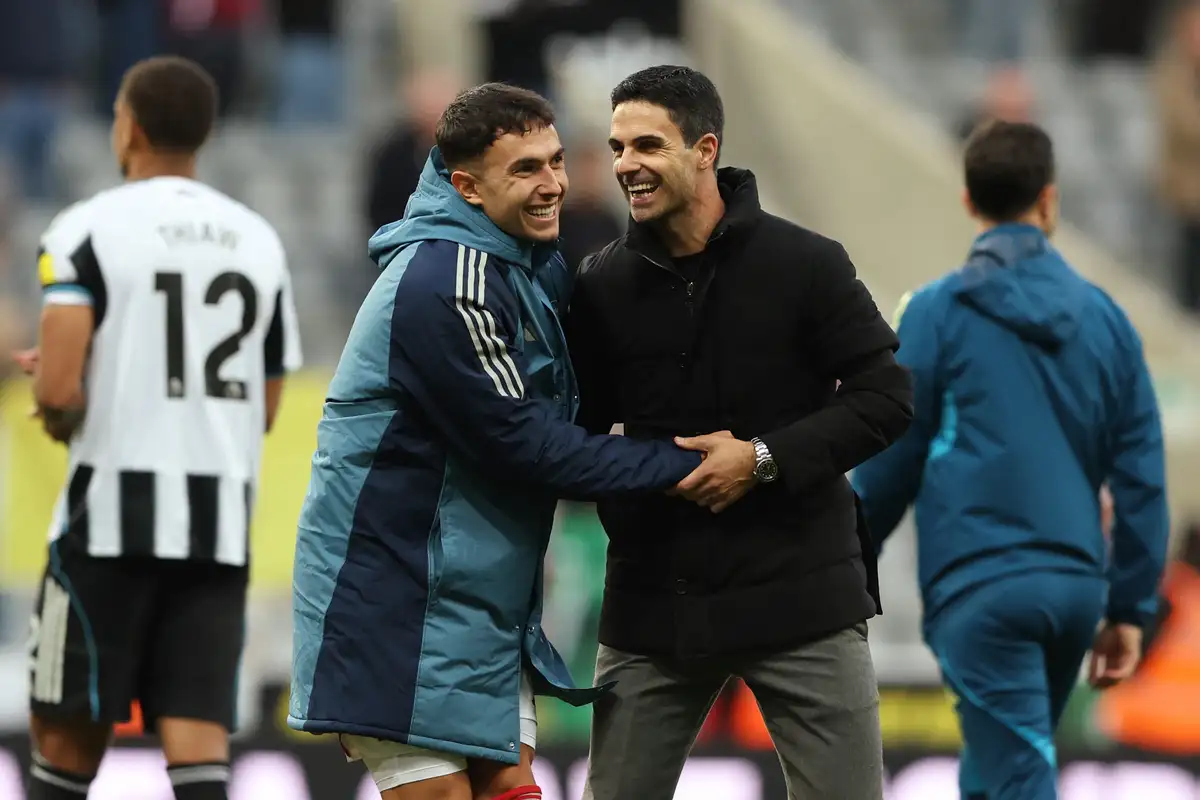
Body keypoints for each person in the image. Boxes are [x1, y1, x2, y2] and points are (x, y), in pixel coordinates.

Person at [288, 82, 735, 800]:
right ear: (466, 186)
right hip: (397, 597)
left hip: (476, 595)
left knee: (511, 790)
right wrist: (683, 465)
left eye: (555, 161)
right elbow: (529, 446)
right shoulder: (445, 279)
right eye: (525, 169)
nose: (552, 183)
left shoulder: (524, 264)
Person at [565, 65, 914, 800]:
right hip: (654, 604)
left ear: (706, 150)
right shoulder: (598, 285)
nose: (626, 164)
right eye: (618, 146)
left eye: (648, 145)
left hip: (803, 600)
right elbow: (576, 438)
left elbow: (887, 399)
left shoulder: (807, 264)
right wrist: (641, 476)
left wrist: (760, 459)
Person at [851, 120, 1169, 800]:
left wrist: (843, 564)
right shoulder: (1108, 321)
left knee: (1016, 776)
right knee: (996, 771)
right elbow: (1142, 479)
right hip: (1074, 590)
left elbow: (891, 456)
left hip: (982, 585)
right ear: (1049, 199)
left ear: (969, 201)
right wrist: (1130, 609)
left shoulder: (935, 312)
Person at [15, 56, 302, 800]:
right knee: (197, 740)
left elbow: (59, 388)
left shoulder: (85, 228)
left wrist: (60, 402)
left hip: (108, 521)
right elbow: (267, 404)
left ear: (130, 127)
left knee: (65, 735)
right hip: (216, 527)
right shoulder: (257, 240)